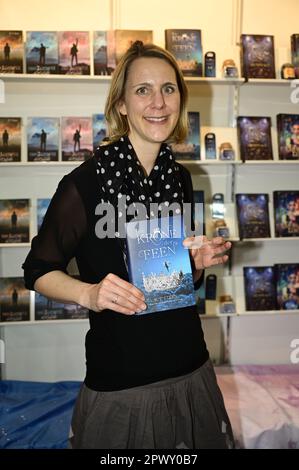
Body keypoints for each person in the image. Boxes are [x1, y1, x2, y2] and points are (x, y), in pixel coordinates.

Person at [23, 41, 234, 449]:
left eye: (168, 89)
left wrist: (195, 264)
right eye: (143, 90)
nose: (158, 102)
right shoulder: (84, 184)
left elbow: (171, 282)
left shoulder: (180, 177)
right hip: (122, 384)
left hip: (191, 369)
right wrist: (90, 292)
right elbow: (37, 270)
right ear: (121, 104)